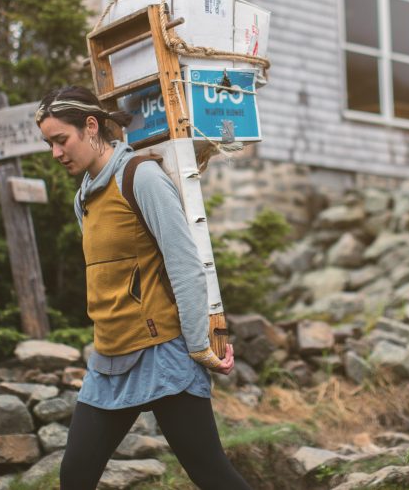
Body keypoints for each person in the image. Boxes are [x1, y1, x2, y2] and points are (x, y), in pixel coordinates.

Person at [36, 86, 250, 490]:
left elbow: (185, 264)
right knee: (75, 476)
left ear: (91, 126)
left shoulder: (142, 177)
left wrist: (201, 343)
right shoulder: (84, 197)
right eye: (49, 143)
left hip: (164, 354)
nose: (55, 152)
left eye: (61, 140)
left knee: (210, 472)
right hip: (110, 356)